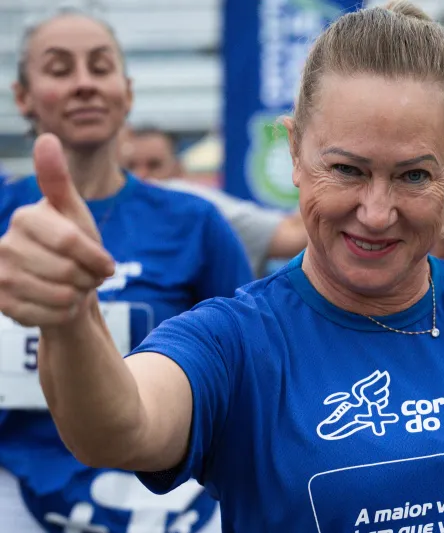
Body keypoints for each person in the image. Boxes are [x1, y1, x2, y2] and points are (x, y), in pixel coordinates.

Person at [0, 2, 444, 531]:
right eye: (347, 170)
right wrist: (71, 318)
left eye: (414, 176)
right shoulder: (236, 342)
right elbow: (117, 427)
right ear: (294, 153)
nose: (376, 213)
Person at [0, 8, 254, 532]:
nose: (84, 84)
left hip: (167, 501)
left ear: (127, 91)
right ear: (23, 96)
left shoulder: (195, 222)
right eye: (59, 68)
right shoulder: (7, 221)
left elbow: (246, 366)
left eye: (100, 66)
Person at [119, 125, 308, 274]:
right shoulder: (99, 212)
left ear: (178, 170)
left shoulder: (199, 206)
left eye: (154, 165)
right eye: (131, 167)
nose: (141, 176)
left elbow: (295, 235)